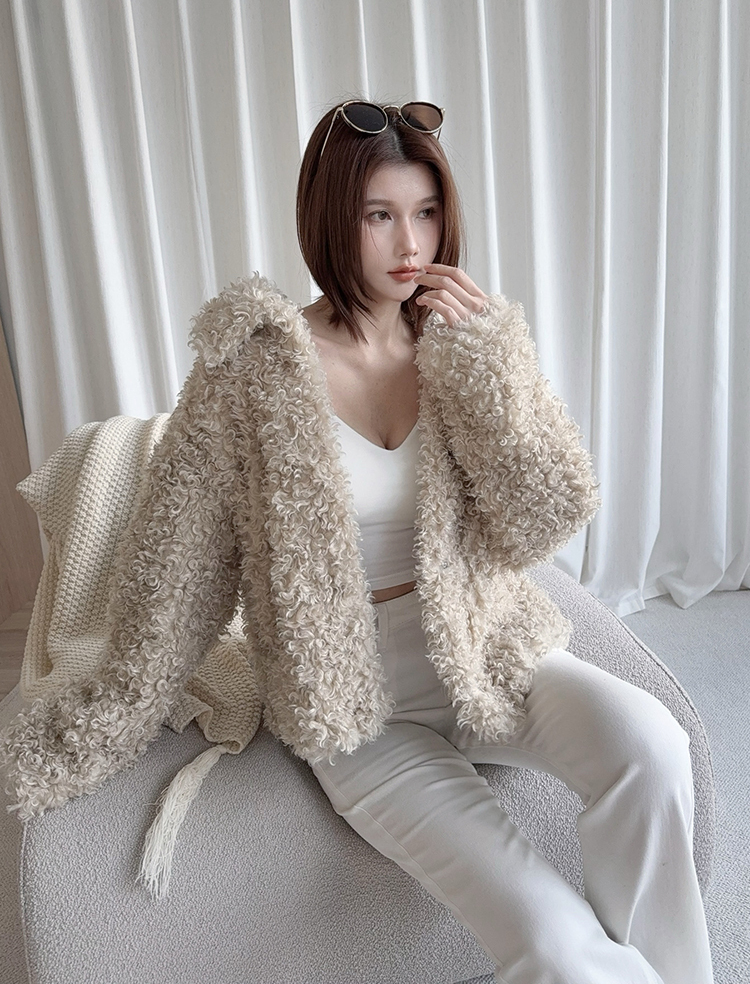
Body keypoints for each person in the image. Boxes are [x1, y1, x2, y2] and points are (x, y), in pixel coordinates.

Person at [0, 100, 712, 984]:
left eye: (426, 212)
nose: (410, 243)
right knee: (553, 943)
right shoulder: (254, 367)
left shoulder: (459, 342)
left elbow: (543, 515)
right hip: (360, 713)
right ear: (331, 217)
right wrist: (105, 713)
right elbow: (177, 563)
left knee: (654, 745)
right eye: (380, 215)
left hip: (486, 650)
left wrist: (491, 364)